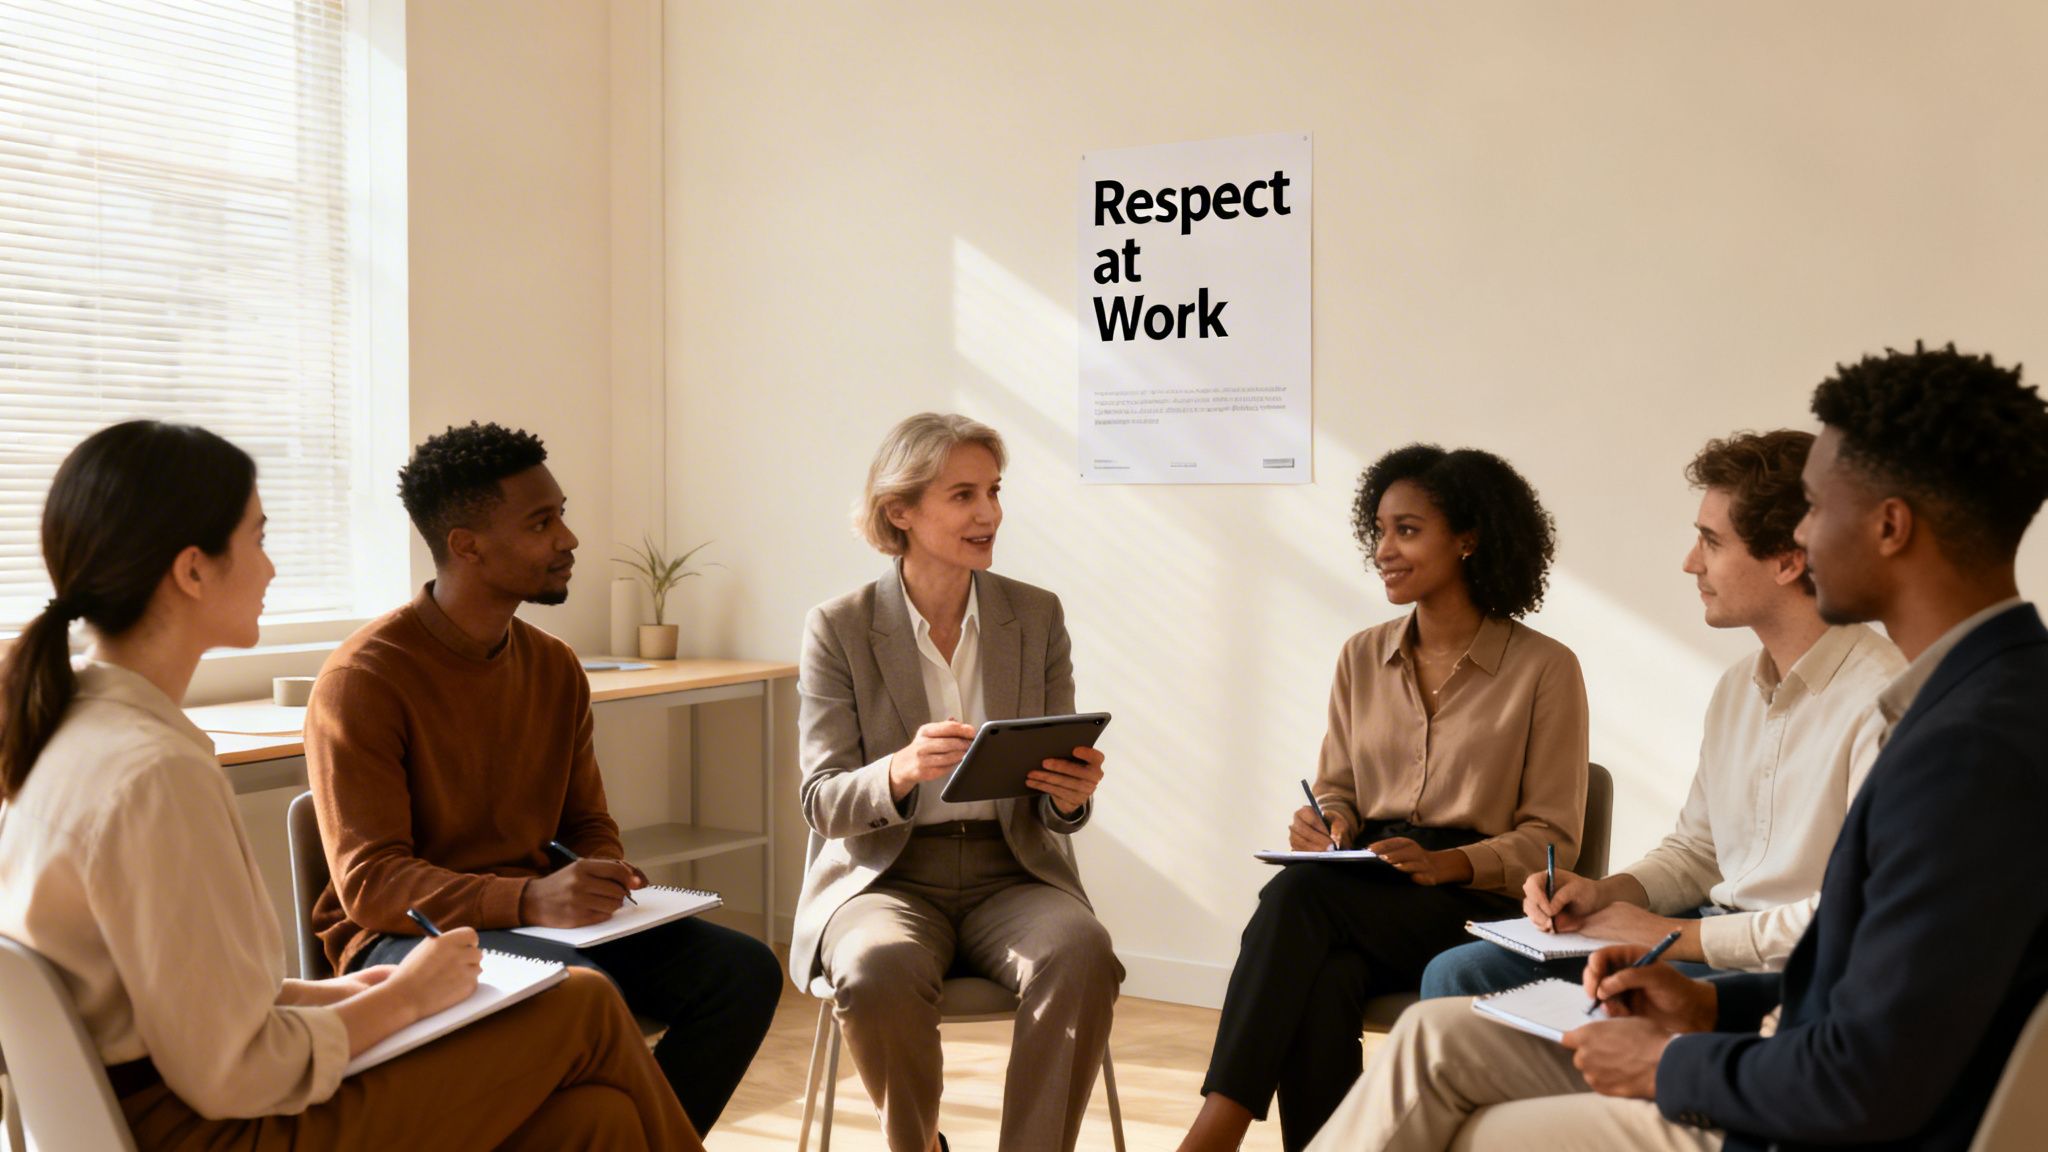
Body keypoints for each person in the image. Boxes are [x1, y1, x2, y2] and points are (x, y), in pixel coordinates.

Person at [1305, 343, 2048, 1152]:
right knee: (1430, 1038)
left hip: (1790, 1114)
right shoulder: (1971, 701)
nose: (1800, 530)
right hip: (1769, 1039)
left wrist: (1672, 1064)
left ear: (1889, 526)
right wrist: (1703, 1008)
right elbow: (1856, 984)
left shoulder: (1966, 749)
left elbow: (1866, 1075)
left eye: (1813, 507)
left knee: (1476, 1126)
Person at [0, 421, 696, 1151]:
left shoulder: (72, 735)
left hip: (169, 1106)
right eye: (258, 539)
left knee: (598, 1124)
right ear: (193, 570)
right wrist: (405, 994)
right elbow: (236, 1071)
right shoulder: (153, 774)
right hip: (207, 1131)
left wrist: (351, 994)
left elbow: (199, 1008)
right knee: (580, 1003)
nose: (271, 569)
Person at [304, 421, 779, 1135]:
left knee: (744, 972)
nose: (570, 538)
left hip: (543, 917)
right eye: (541, 522)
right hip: (407, 939)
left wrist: (603, 872)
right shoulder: (364, 680)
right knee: (589, 993)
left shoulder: (555, 666)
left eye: (561, 513)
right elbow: (372, 886)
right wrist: (528, 898)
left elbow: (586, 823)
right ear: (466, 544)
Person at [1179, 444, 1591, 1152]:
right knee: (1324, 973)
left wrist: (1449, 866)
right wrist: (1329, 820)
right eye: (1378, 530)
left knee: (1300, 899)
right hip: (1366, 878)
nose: (1383, 549)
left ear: (1468, 538)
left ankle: (1217, 1128)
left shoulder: (1545, 668)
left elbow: (1553, 838)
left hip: (1476, 899)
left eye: (1407, 529)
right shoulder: (1360, 655)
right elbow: (1337, 784)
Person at [1421, 431, 1902, 997]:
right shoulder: (1736, 689)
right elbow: (1698, 852)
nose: (1690, 562)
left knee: (1521, 1004)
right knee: (1457, 973)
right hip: (1704, 937)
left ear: (1787, 561)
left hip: (1790, 969)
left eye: (1711, 542)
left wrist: (1672, 933)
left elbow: (1855, 913)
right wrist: (1608, 894)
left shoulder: (1886, 700)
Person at [788, 412, 1122, 1152]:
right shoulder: (838, 628)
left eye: (994, 491)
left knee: (1082, 953)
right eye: (963, 495)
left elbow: (1055, 802)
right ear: (899, 510)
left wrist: (1070, 795)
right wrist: (901, 768)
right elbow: (821, 801)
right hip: (888, 876)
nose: (989, 514)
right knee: (875, 970)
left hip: (1015, 873)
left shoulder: (1035, 615)